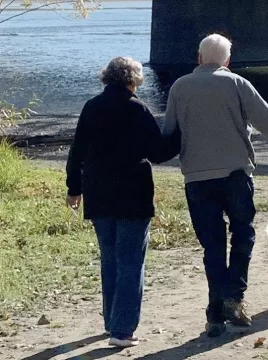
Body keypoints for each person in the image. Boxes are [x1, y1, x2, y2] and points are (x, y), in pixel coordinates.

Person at [163, 34, 268, 337]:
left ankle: (215, 313)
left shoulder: (180, 87)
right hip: (236, 175)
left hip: (197, 178)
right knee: (243, 236)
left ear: (198, 58)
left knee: (212, 245)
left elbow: (170, 132)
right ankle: (233, 299)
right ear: (227, 61)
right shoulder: (236, 83)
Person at [66, 56, 178, 349]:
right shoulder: (137, 109)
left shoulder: (91, 107)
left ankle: (111, 321)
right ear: (133, 80)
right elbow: (158, 152)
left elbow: (76, 151)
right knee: (131, 261)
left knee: (111, 259)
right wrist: (179, 134)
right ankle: (123, 329)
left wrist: (73, 189)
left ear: (107, 78)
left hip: (98, 193)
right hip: (132, 195)